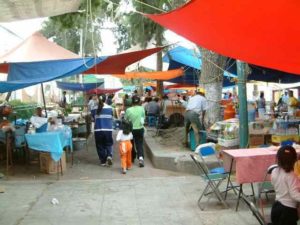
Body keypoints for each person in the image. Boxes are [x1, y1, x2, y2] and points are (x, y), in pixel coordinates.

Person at [271, 145, 300, 225]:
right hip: (288, 210)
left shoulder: (274, 171)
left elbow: (274, 183)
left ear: (278, 159)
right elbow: (294, 195)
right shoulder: (291, 176)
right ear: (294, 160)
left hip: (276, 207)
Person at [92, 96, 114, 166]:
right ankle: (109, 155)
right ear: (106, 99)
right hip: (108, 130)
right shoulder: (110, 108)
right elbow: (112, 117)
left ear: (98, 100)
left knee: (100, 145)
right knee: (108, 143)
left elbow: (93, 119)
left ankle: (103, 161)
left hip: (98, 130)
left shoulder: (94, 109)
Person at [125, 95, 145, 167]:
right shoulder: (142, 109)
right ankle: (141, 158)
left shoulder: (128, 110)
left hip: (131, 130)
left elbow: (126, 120)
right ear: (139, 101)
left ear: (131, 102)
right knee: (139, 144)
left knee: (131, 144)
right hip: (140, 129)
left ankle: (132, 157)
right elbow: (143, 118)